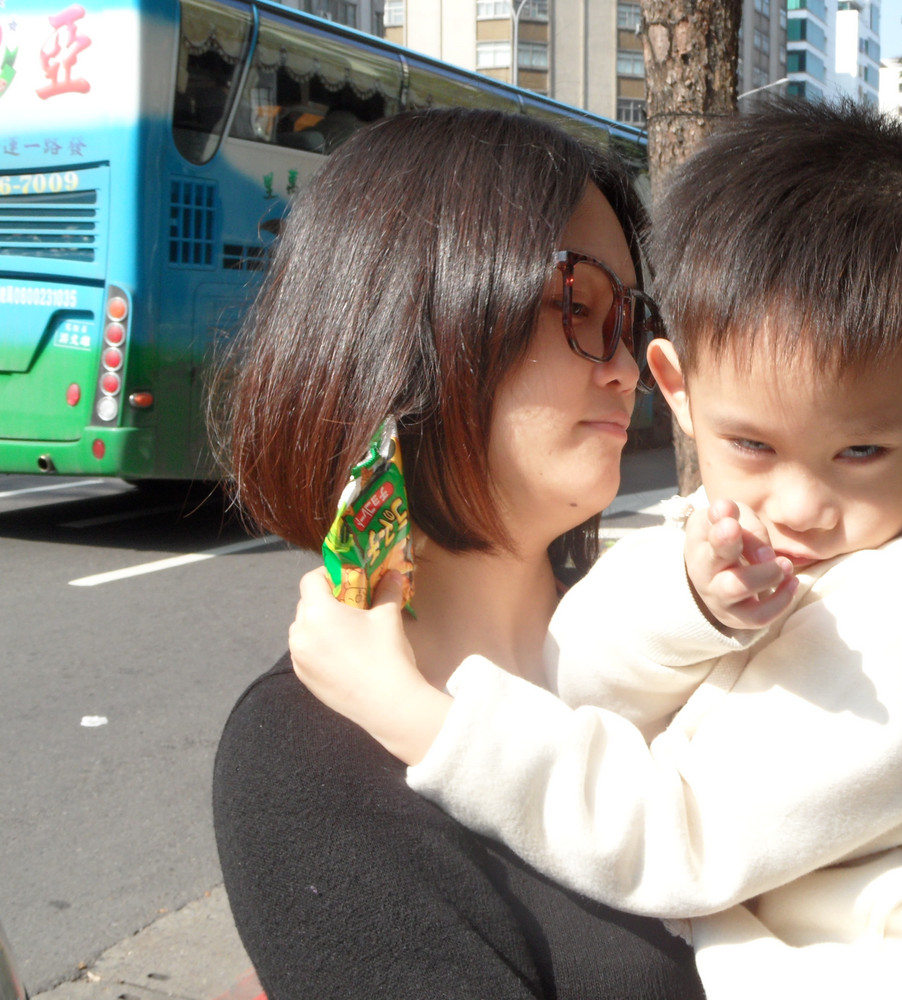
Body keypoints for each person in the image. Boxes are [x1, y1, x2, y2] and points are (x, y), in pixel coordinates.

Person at [291, 100, 902, 999]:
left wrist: (421, 719)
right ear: (678, 390)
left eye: (860, 452)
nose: (800, 507)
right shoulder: (723, 538)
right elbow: (580, 677)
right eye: (752, 445)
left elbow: (682, 834)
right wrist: (692, 605)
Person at [210, 108, 708, 1000]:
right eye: (576, 305)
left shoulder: (676, 627)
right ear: (410, 322)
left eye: (629, 320)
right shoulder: (309, 756)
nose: (627, 368)